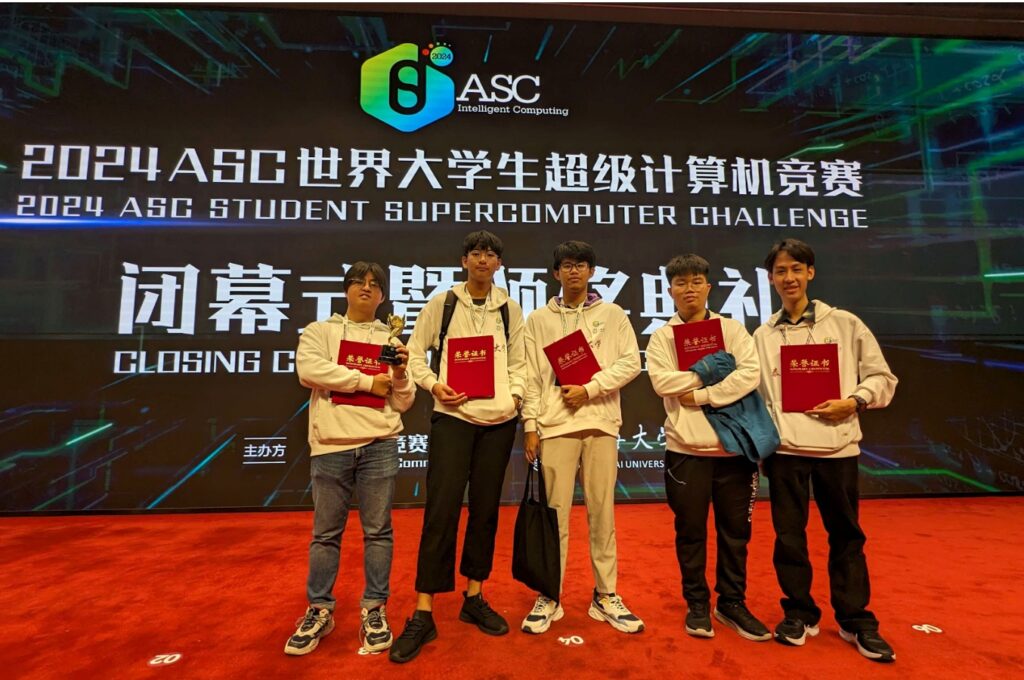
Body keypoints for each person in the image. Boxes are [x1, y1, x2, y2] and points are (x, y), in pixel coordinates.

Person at [753, 238, 898, 662]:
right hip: (785, 451)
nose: (789, 278)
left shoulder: (845, 323)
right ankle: (798, 612)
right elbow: (756, 394)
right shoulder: (763, 334)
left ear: (810, 273)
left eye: (796, 269)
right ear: (771, 279)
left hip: (838, 449)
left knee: (847, 536)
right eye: (781, 271)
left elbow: (882, 378)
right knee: (789, 537)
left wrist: (853, 401)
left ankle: (855, 619)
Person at [389, 230, 526, 663]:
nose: (483, 260)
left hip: (499, 423)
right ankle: (423, 611)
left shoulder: (510, 308)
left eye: (491, 254)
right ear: (464, 261)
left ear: (499, 264)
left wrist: (515, 398)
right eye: (476, 253)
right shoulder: (443, 303)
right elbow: (414, 354)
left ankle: (474, 596)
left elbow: (520, 363)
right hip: (452, 418)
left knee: (485, 511)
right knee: (441, 510)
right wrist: (434, 386)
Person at [286, 262, 415, 656]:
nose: (366, 288)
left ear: (382, 296)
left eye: (375, 284)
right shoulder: (320, 331)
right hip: (332, 445)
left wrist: (399, 373)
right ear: (346, 290)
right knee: (326, 533)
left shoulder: (390, 338)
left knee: (379, 532)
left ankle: (374, 608)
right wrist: (366, 381)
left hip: (380, 442)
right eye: (358, 281)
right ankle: (319, 610)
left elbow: (403, 401)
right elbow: (309, 370)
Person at [646, 254, 774, 642]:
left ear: (708, 286)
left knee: (736, 534)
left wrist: (701, 395)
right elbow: (663, 384)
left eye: (696, 281)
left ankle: (732, 602)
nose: (689, 289)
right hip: (686, 451)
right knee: (690, 533)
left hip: (735, 452)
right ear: (670, 290)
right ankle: (697, 604)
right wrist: (709, 369)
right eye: (681, 282)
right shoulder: (662, 337)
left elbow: (749, 374)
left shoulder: (731, 329)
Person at [520, 240, 644, 635]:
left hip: (600, 423)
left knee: (602, 514)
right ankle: (550, 595)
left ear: (592, 271)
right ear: (556, 273)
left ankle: (605, 595)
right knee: (554, 516)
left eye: (582, 265)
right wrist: (530, 425)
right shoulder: (538, 319)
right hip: (555, 426)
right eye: (567, 265)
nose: (574, 271)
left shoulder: (613, 314)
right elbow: (530, 376)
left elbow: (631, 363)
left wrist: (590, 389)